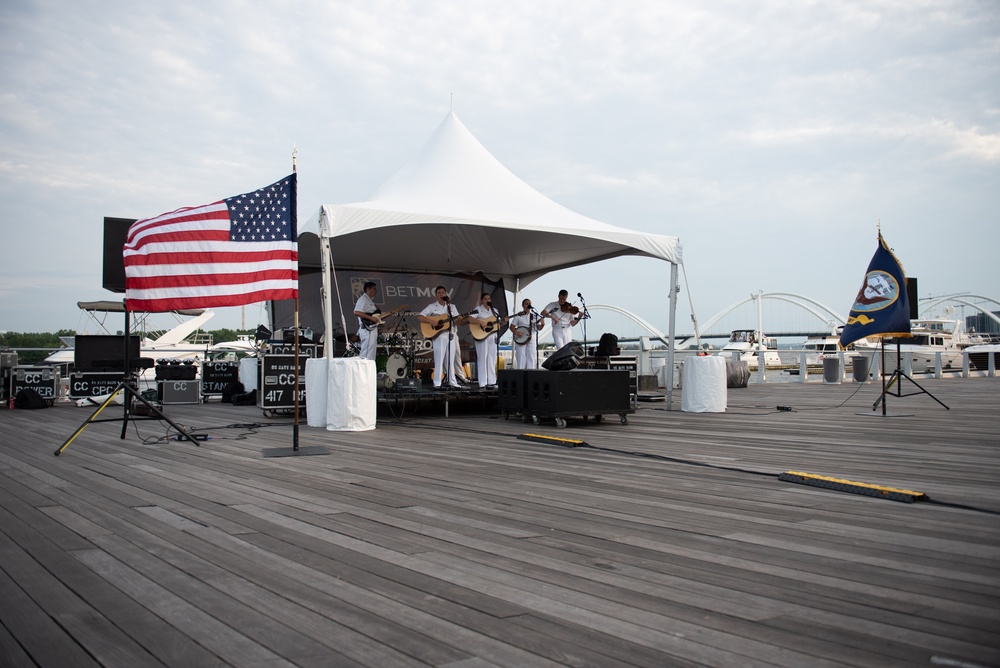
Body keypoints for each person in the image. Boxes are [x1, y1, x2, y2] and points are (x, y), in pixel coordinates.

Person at [417, 286, 466, 388]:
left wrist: (459, 319)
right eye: (439, 293)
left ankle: (452, 381)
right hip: (439, 335)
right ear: (436, 295)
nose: (441, 294)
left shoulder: (451, 307)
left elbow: (455, 323)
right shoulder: (432, 306)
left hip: (450, 334)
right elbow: (420, 316)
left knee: (451, 358)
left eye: (443, 292)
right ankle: (437, 382)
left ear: (445, 294)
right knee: (439, 359)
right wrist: (431, 321)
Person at [468, 292, 503, 388]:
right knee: (482, 358)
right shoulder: (478, 309)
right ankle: (482, 382)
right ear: (482, 300)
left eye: (489, 299)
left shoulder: (494, 310)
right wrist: (479, 321)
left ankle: (492, 381)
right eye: (485, 298)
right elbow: (470, 319)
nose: (488, 300)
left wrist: (502, 322)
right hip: (481, 335)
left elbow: (497, 324)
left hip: (493, 336)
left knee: (492, 359)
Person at [509, 298, 543, 369]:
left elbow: (539, 328)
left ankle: (530, 372)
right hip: (521, 337)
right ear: (523, 305)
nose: (528, 305)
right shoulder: (518, 316)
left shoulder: (534, 316)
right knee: (520, 355)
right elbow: (512, 327)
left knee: (531, 355)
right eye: (526, 304)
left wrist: (542, 324)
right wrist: (517, 332)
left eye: (529, 304)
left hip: (532, 336)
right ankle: (520, 372)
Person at [352, 281, 380, 361]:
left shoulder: (370, 301)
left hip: (372, 328)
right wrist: (371, 318)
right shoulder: (363, 299)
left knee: (371, 352)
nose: (376, 290)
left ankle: (368, 370)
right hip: (368, 329)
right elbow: (356, 311)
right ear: (368, 289)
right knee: (366, 352)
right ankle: (363, 370)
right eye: (374, 288)